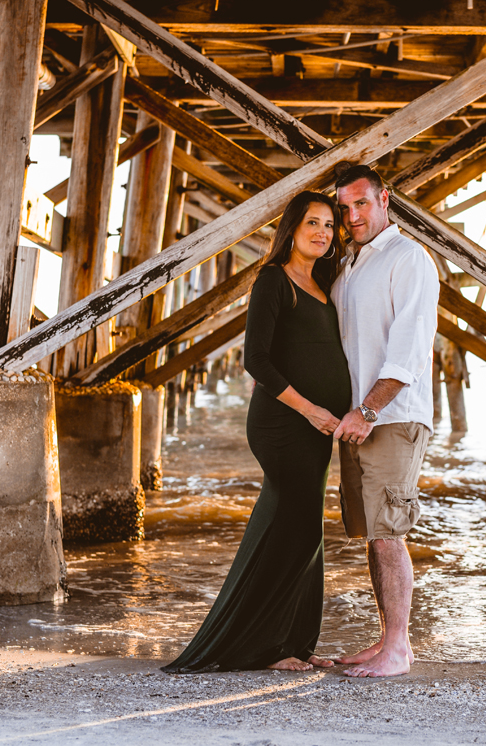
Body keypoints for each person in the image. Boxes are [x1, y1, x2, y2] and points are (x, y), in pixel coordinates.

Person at [165, 191, 351, 674]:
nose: (322, 233)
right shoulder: (274, 280)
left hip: (315, 428)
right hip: (284, 424)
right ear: (290, 228)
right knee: (299, 527)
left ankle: (295, 642)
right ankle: (262, 649)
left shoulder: (322, 280)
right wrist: (311, 409)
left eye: (330, 226)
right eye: (312, 223)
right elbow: (257, 361)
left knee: (301, 529)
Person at [331, 163, 439, 678]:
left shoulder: (407, 258)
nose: (352, 215)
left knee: (389, 531)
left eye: (361, 204)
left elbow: (410, 349)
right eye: (344, 207)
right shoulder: (351, 265)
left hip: (390, 416)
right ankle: (387, 641)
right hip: (358, 417)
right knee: (375, 531)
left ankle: (398, 646)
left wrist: (370, 409)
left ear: (385, 199)